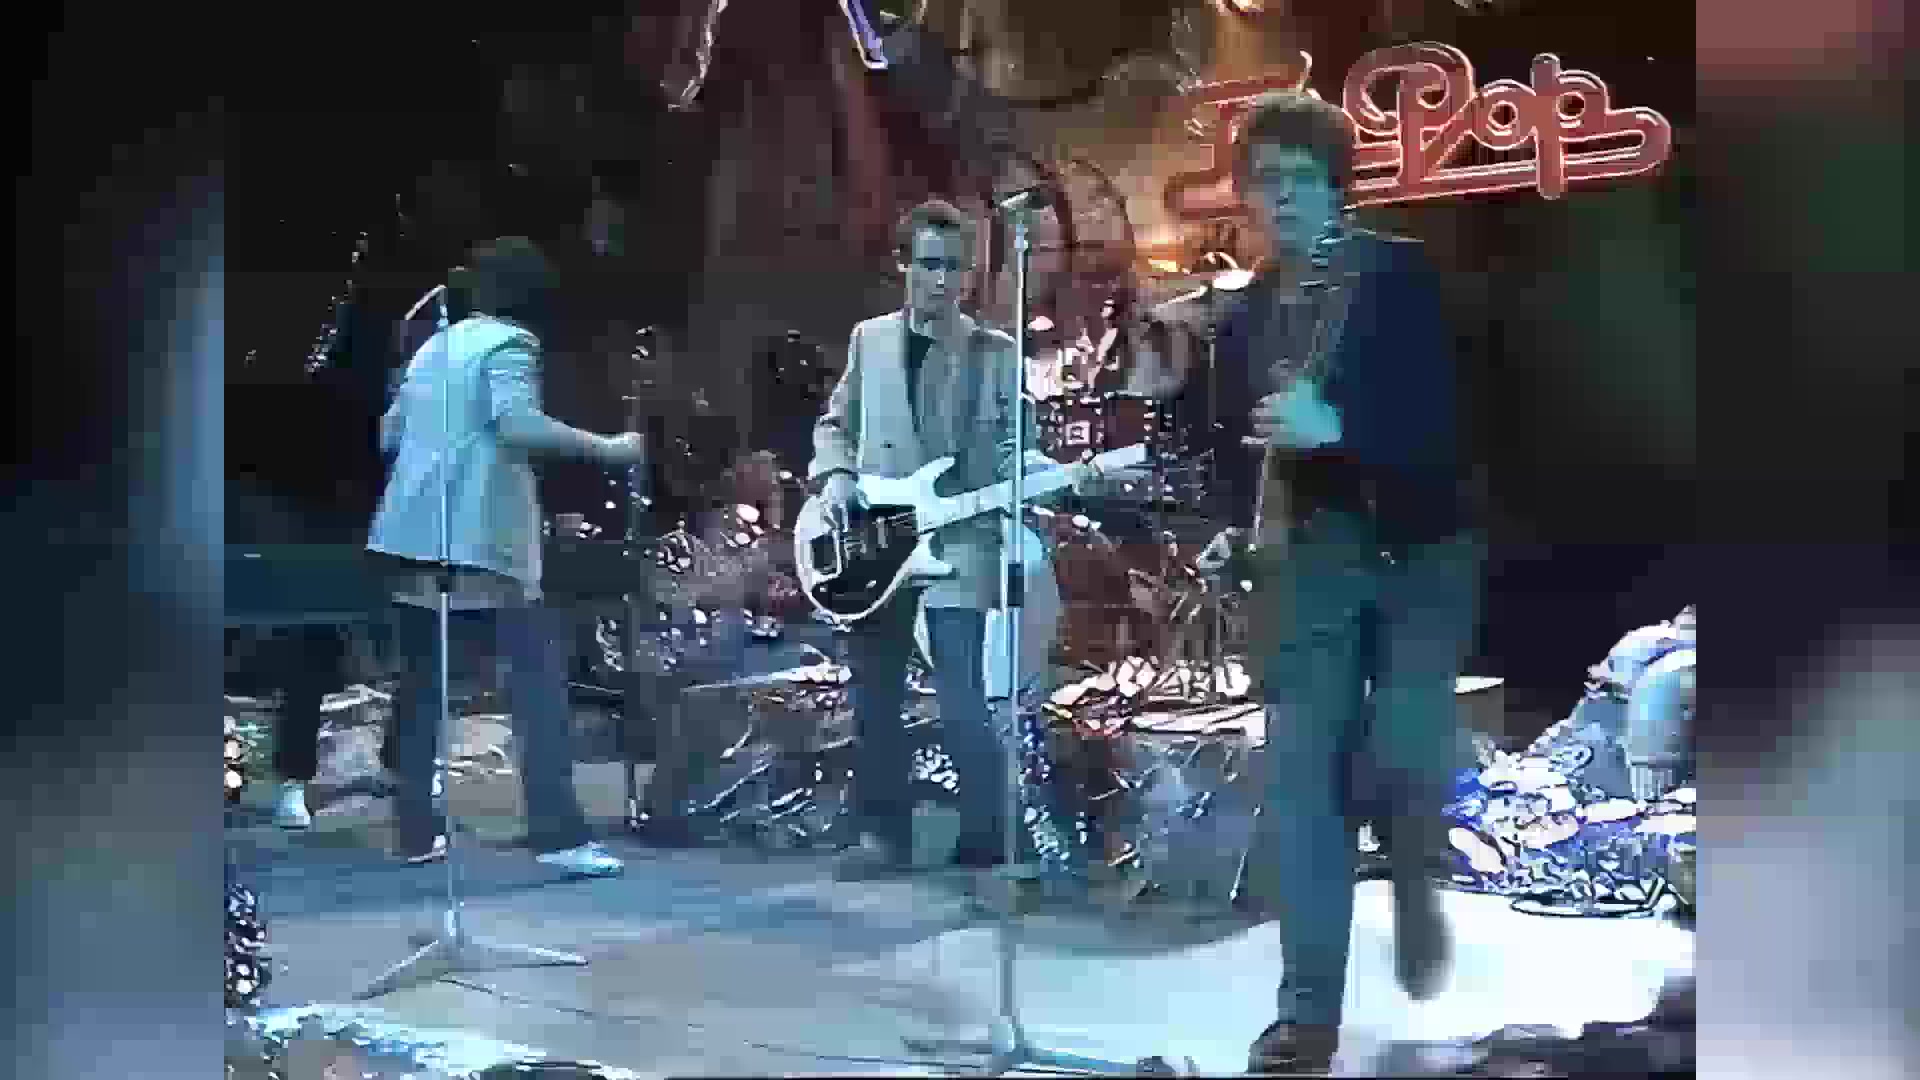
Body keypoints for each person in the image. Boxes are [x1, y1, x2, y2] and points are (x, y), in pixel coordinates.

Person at [1137, 93, 1483, 1075]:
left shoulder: (1397, 276)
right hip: (1307, 571)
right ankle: (1306, 1017)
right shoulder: (1248, 313)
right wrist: (1229, 534)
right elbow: (1240, 457)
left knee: (1400, 761)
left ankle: (1410, 861)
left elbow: (1454, 434)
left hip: (1416, 555)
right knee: (1303, 793)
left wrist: (1343, 434)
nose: (1279, 197)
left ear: (1338, 187)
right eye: (1263, 181)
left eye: (1298, 178)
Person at [809, 199, 1103, 878]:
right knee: (874, 693)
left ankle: (989, 840)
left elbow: (1010, 447)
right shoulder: (869, 340)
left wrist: (1049, 474)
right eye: (930, 264)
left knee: (962, 694)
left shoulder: (994, 353)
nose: (943, 279)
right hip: (880, 533)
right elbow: (835, 424)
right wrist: (836, 478)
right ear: (904, 266)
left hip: (959, 536)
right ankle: (884, 835)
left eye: (955, 267)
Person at [367, 236, 648, 875]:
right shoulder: (509, 343)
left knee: (420, 690)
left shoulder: (433, 346)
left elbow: (390, 434)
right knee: (537, 685)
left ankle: (414, 834)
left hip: (411, 535)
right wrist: (609, 448)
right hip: (480, 541)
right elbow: (516, 424)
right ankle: (559, 835)